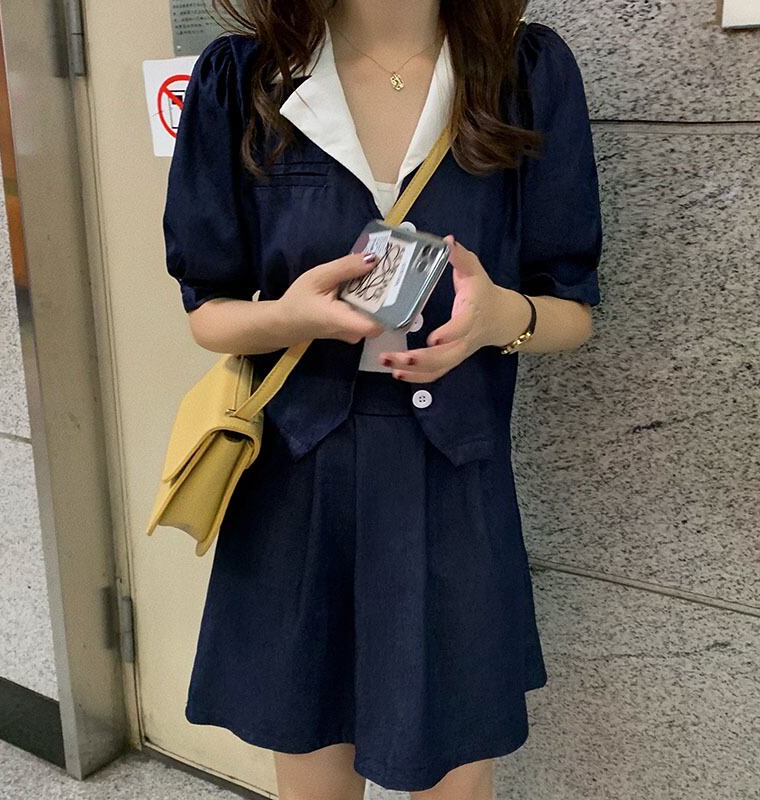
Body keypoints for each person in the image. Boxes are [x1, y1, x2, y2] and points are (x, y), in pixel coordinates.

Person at [162, 0, 602, 797]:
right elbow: (207, 311)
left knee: (455, 780)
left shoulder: (524, 72)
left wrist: (502, 318)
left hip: (454, 478)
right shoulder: (242, 77)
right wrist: (289, 317)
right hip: (297, 478)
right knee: (312, 774)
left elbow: (573, 308)